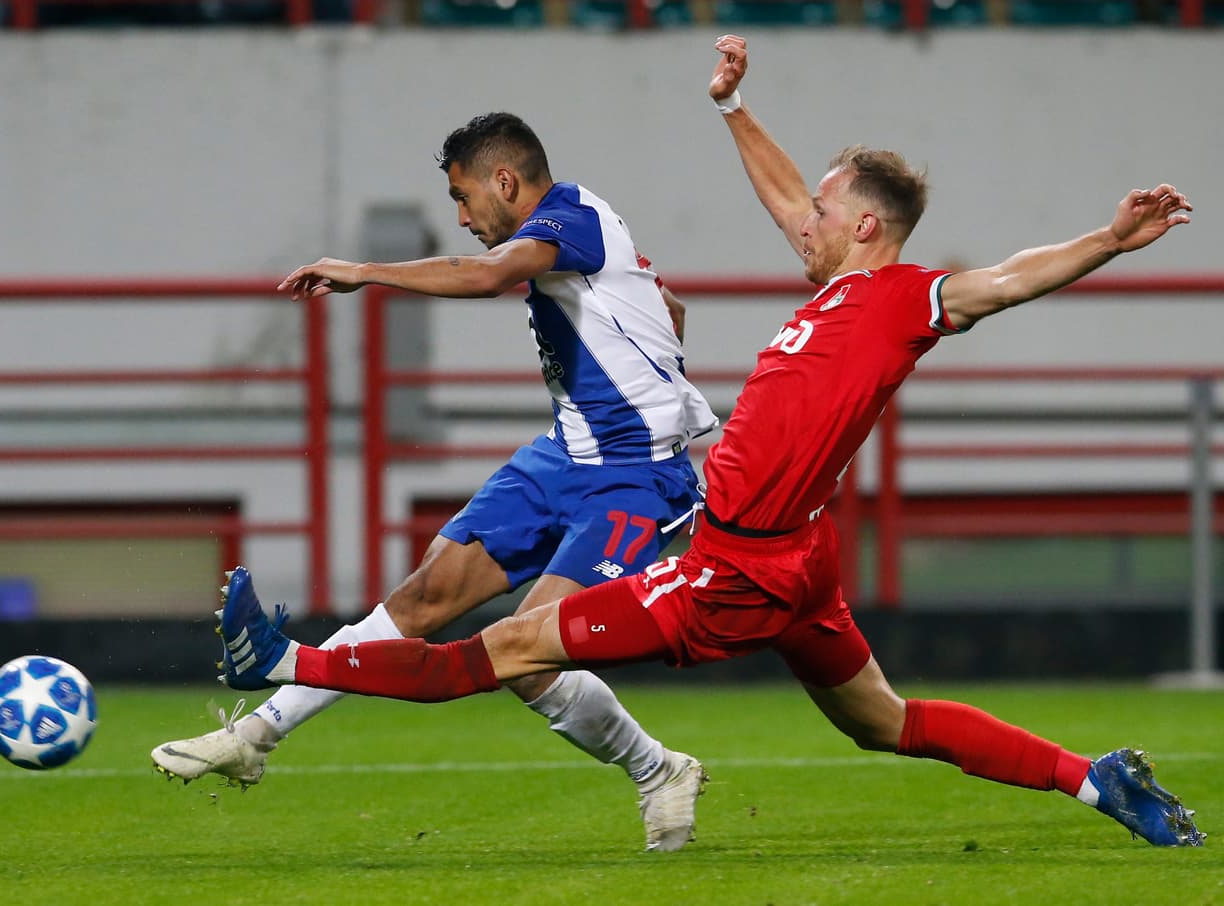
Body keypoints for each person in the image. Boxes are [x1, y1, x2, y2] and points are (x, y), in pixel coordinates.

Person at [209, 39, 1204, 848]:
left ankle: (288, 662)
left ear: (863, 224)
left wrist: (1104, 242)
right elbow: (782, 193)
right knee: (881, 722)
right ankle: (1092, 781)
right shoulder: (840, 286)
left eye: (816, 211)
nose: (794, 220)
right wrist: (733, 110)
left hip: (734, 569)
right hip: (797, 558)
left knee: (506, 650)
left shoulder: (907, 302)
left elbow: (1006, 279)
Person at [152, 112, 719, 853]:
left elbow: (486, 276)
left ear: (505, 181)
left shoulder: (569, 216)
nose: (461, 217)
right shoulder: (584, 228)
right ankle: (260, 733)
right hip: (562, 457)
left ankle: (659, 770)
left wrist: (364, 272)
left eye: (464, 196)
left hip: (633, 477)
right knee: (422, 599)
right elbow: (667, 307)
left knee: (526, 648)